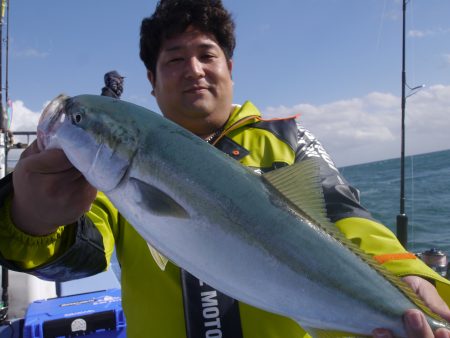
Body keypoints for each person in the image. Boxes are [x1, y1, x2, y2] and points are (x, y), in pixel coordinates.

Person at [0, 1, 450, 337]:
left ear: (229, 68)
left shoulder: (285, 140)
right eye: (174, 59)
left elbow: (343, 214)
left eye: (206, 55)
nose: (193, 70)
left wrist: (410, 277)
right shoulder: (102, 181)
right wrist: (31, 218)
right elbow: (83, 252)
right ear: (152, 83)